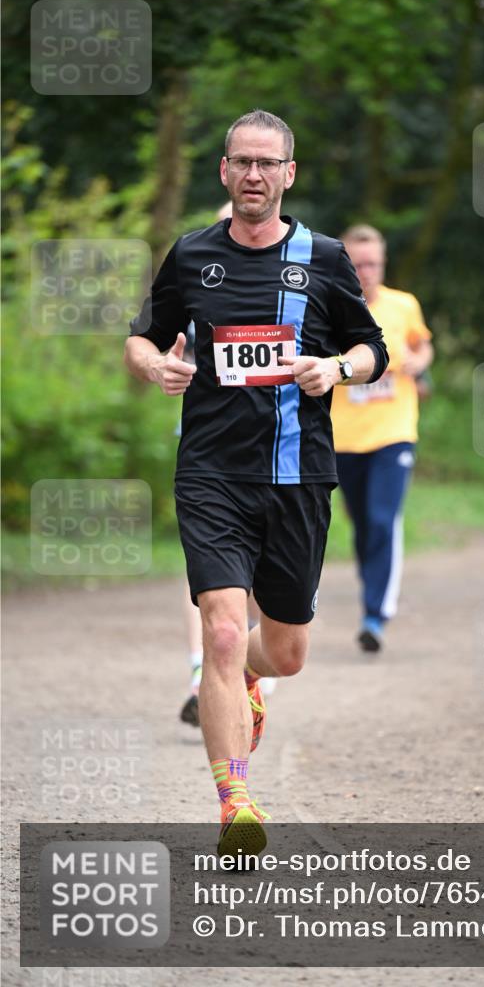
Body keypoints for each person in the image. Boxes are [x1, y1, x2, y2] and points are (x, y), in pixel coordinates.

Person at [125, 110, 388, 856]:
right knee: (220, 630)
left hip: (297, 475)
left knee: (286, 653)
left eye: (265, 164)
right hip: (210, 471)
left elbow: (372, 350)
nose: (252, 175)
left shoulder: (324, 258)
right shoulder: (191, 253)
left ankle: (245, 685)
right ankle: (234, 799)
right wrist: (157, 366)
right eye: (240, 162)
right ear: (223, 171)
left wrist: (333, 368)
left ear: (287, 174)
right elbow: (141, 338)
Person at [179, 202, 273, 728]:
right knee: (208, 582)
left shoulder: (293, 282)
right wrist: (165, 364)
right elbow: (156, 338)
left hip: (273, 459)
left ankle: (251, 667)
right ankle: (205, 667)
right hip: (206, 455)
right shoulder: (194, 265)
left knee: (263, 588)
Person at [330, 224, 433, 654]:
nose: (367, 271)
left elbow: (424, 347)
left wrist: (416, 362)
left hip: (394, 433)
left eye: (373, 263)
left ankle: (375, 614)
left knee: (382, 517)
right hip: (343, 438)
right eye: (358, 264)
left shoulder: (403, 305)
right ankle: (372, 594)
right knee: (361, 523)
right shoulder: (330, 308)